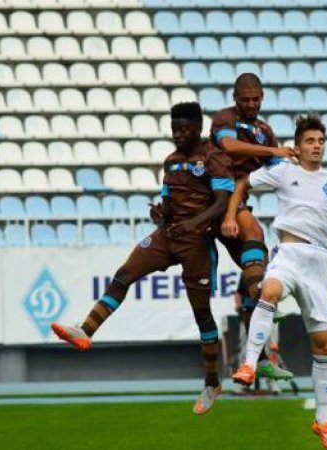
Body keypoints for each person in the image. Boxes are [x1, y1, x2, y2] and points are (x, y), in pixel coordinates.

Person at [51, 102, 234, 416]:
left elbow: (221, 204)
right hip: (167, 235)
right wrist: (160, 212)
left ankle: (211, 382)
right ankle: (86, 330)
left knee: (202, 314)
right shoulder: (171, 162)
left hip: (197, 243)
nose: (177, 135)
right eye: (174, 129)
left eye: (183, 129)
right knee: (124, 274)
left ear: (198, 128)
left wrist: (194, 222)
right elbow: (167, 202)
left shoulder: (214, 158)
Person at [231, 114, 327, 450]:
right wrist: (231, 215)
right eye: (310, 141)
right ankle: (249, 365)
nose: (317, 146)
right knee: (269, 291)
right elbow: (242, 184)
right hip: (288, 253)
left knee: (324, 346)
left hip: (319, 263)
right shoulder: (283, 171)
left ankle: (322, 421)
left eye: (321, 141)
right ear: (297, 147)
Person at [212, 72, 296, 381]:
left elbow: (281, 171)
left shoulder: (264, 131)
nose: (250, 104)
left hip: (237, 201)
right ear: (235, 98)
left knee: (257, 267)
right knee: (255, 234)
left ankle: (257, 358)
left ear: (262, 98)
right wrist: (273, 151)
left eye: (255, 99)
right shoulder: (225, 119)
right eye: (245, 99)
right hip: (215, 197)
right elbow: (229, 146)